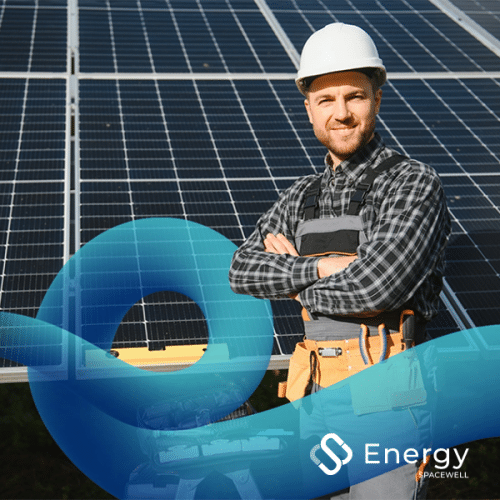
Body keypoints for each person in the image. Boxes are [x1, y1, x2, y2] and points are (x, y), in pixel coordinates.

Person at [229, 22, 451, 500]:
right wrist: (324, 267)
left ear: (377, 98)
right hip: (313, 398)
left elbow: (375, 289)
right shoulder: (297, 197)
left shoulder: (412, 184)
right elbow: (241, 270)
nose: (342, 113)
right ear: (308, 108)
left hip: (387, 399)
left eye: (355, 96)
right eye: (326, 100)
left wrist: (288, 278)